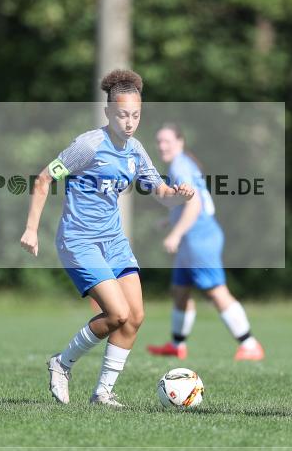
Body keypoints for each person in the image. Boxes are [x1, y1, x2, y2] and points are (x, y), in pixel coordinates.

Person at [20, 69, 194, 408]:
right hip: (79, 241)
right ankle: (62, 363)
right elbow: (43, 179)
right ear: (108, 113)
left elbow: (158, 190)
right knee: (116, 313)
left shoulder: (135, 149)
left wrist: (178, 194)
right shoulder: (89, 145)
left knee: (136, 316)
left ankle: (102, 393)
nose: (129, 122)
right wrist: (30, 228)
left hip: (114, 242)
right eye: (122, 114)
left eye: (136, 115)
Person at [146, 124, 264, 361]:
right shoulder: (182, 164)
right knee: (180, 291)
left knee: (216, 292)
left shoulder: (180, 166)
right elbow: (185, 201)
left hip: (200, 238)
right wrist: (168, 222)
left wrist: (176, 234)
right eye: (159, 141)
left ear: (180, 142)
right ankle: (177, 345)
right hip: (193, 238)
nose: (161, 146)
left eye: (167, 141)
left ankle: (250, 344)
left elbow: (195, 204)